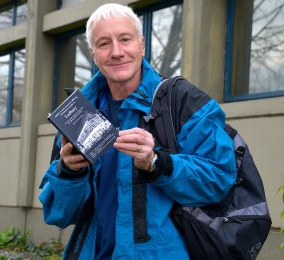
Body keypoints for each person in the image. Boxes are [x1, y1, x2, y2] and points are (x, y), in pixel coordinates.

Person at [39, 3, 236, 259]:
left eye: (125, 39)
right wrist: (69, 172)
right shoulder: (78, 113)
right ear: (93, 54)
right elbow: (59, 213)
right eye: (104, 43)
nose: (117, 52)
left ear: (141, 45)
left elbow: (220, 178)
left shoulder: (183, 101)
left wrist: (158, 163)